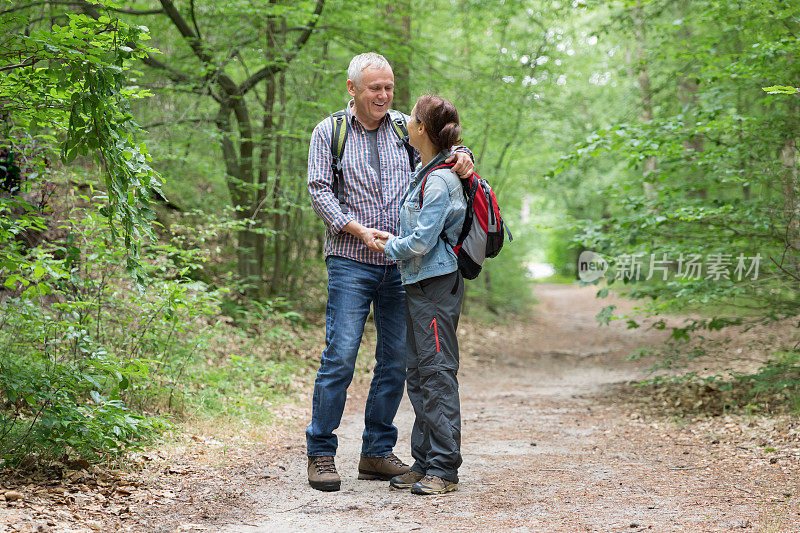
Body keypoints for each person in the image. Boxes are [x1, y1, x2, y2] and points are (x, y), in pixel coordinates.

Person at [305, 53, 474, 492]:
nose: (383, 95)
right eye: (374, 88)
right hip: (350, 260)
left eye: (389, 87)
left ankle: (376, 453)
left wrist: (465, 155)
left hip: (404, 267)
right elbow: (319, 190)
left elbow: (445, 145)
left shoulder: (406, 126)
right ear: (352, 89)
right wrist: (356, 230)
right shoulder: (330, 132)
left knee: (396, 362)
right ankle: (321, 451)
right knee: (340, 355)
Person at [375, 94, 467, 496]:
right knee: (418, 373)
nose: (406, 123)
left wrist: (386, 245)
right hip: (418, 285)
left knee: (437, 374)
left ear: (423, 130)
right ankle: (425, 460)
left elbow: (422, 242)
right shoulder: (426, 170)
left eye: (412, 119)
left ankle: (445, 469)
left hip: (435, 285)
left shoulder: (442, 179)